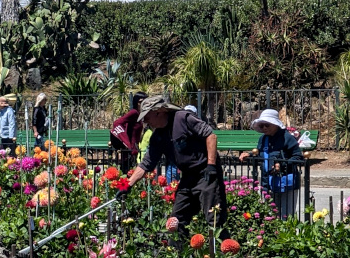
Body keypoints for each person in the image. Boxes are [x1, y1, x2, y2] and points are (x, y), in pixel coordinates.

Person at [122, 95, 228, 237]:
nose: (144, 121)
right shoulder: (157, 137)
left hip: (206, 173)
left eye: (147, 116)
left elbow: (211, 136)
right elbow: (146, 164)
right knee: (176, 221)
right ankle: (178, 256)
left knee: (214, 220)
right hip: (188, 178)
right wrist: (127, 186)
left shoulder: (183, 118)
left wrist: (211, 165)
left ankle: (223, 255)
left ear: (159, 111)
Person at [240, 109, 303, 217]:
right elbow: (261, 154)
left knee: (286, 217)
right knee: (270, 216)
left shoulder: (287, 138)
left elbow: (298, 157)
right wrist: (250, 155)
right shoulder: (263, 139)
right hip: (268, 183)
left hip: (287, 183)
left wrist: (282, 164)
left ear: (275, 124)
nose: (264, 128)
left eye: (267, 125)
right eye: (261, 126)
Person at [109, 92, 147, 171]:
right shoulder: (134, 113)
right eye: (140, 101)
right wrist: (126, 142)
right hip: (130, 151)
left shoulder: (140, 114)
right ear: (136, 102)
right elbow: (117, 123)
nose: (143, 103)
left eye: (145, 101)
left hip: (134, 151)